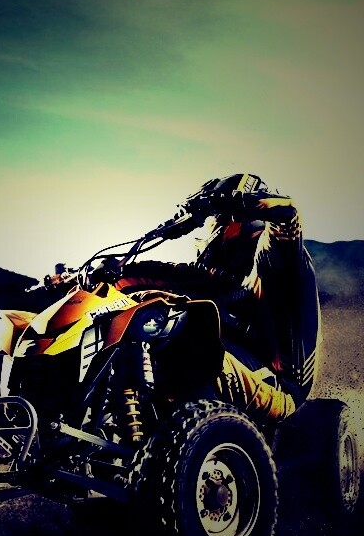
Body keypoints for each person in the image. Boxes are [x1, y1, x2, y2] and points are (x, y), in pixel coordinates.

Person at [117, 173, 322, 426]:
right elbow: (145, 276)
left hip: (277, 386)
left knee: (183, 331)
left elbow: (288, 216)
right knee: (133, 313)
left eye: (215, 218)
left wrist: (239, 201)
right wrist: (104, 274)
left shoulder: (273, 259)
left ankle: (195, 437)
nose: (210, 225)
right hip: (228, 366)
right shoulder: (206, 276)